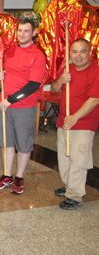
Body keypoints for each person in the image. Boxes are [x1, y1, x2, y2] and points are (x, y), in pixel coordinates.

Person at [0, 18, 46, 194]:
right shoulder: (9, 50)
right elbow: (3, 71)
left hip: (24, 107)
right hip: (5, 106)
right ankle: (7, 175)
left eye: (26, 31)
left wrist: (11, 99)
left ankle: (19, 177)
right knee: (7, 142)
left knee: (24, 144)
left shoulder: (37, 55)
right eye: (20, 30)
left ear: (34, 33)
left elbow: (33, 85)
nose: (22, 34)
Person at [50, 39, 99, 210]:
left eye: (82, 51)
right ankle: (69, 185)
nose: (78, 56)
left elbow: (94, 100)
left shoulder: (95, 71)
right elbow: (54, 89)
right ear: (70, 53)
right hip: (64, 121)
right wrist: (61, 80)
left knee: (78, 159)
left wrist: (75, 117)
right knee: (64, 157)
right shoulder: (67, 69)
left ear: (90, 52)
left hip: (83, 123)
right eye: (75, 52)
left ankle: (75, 195)